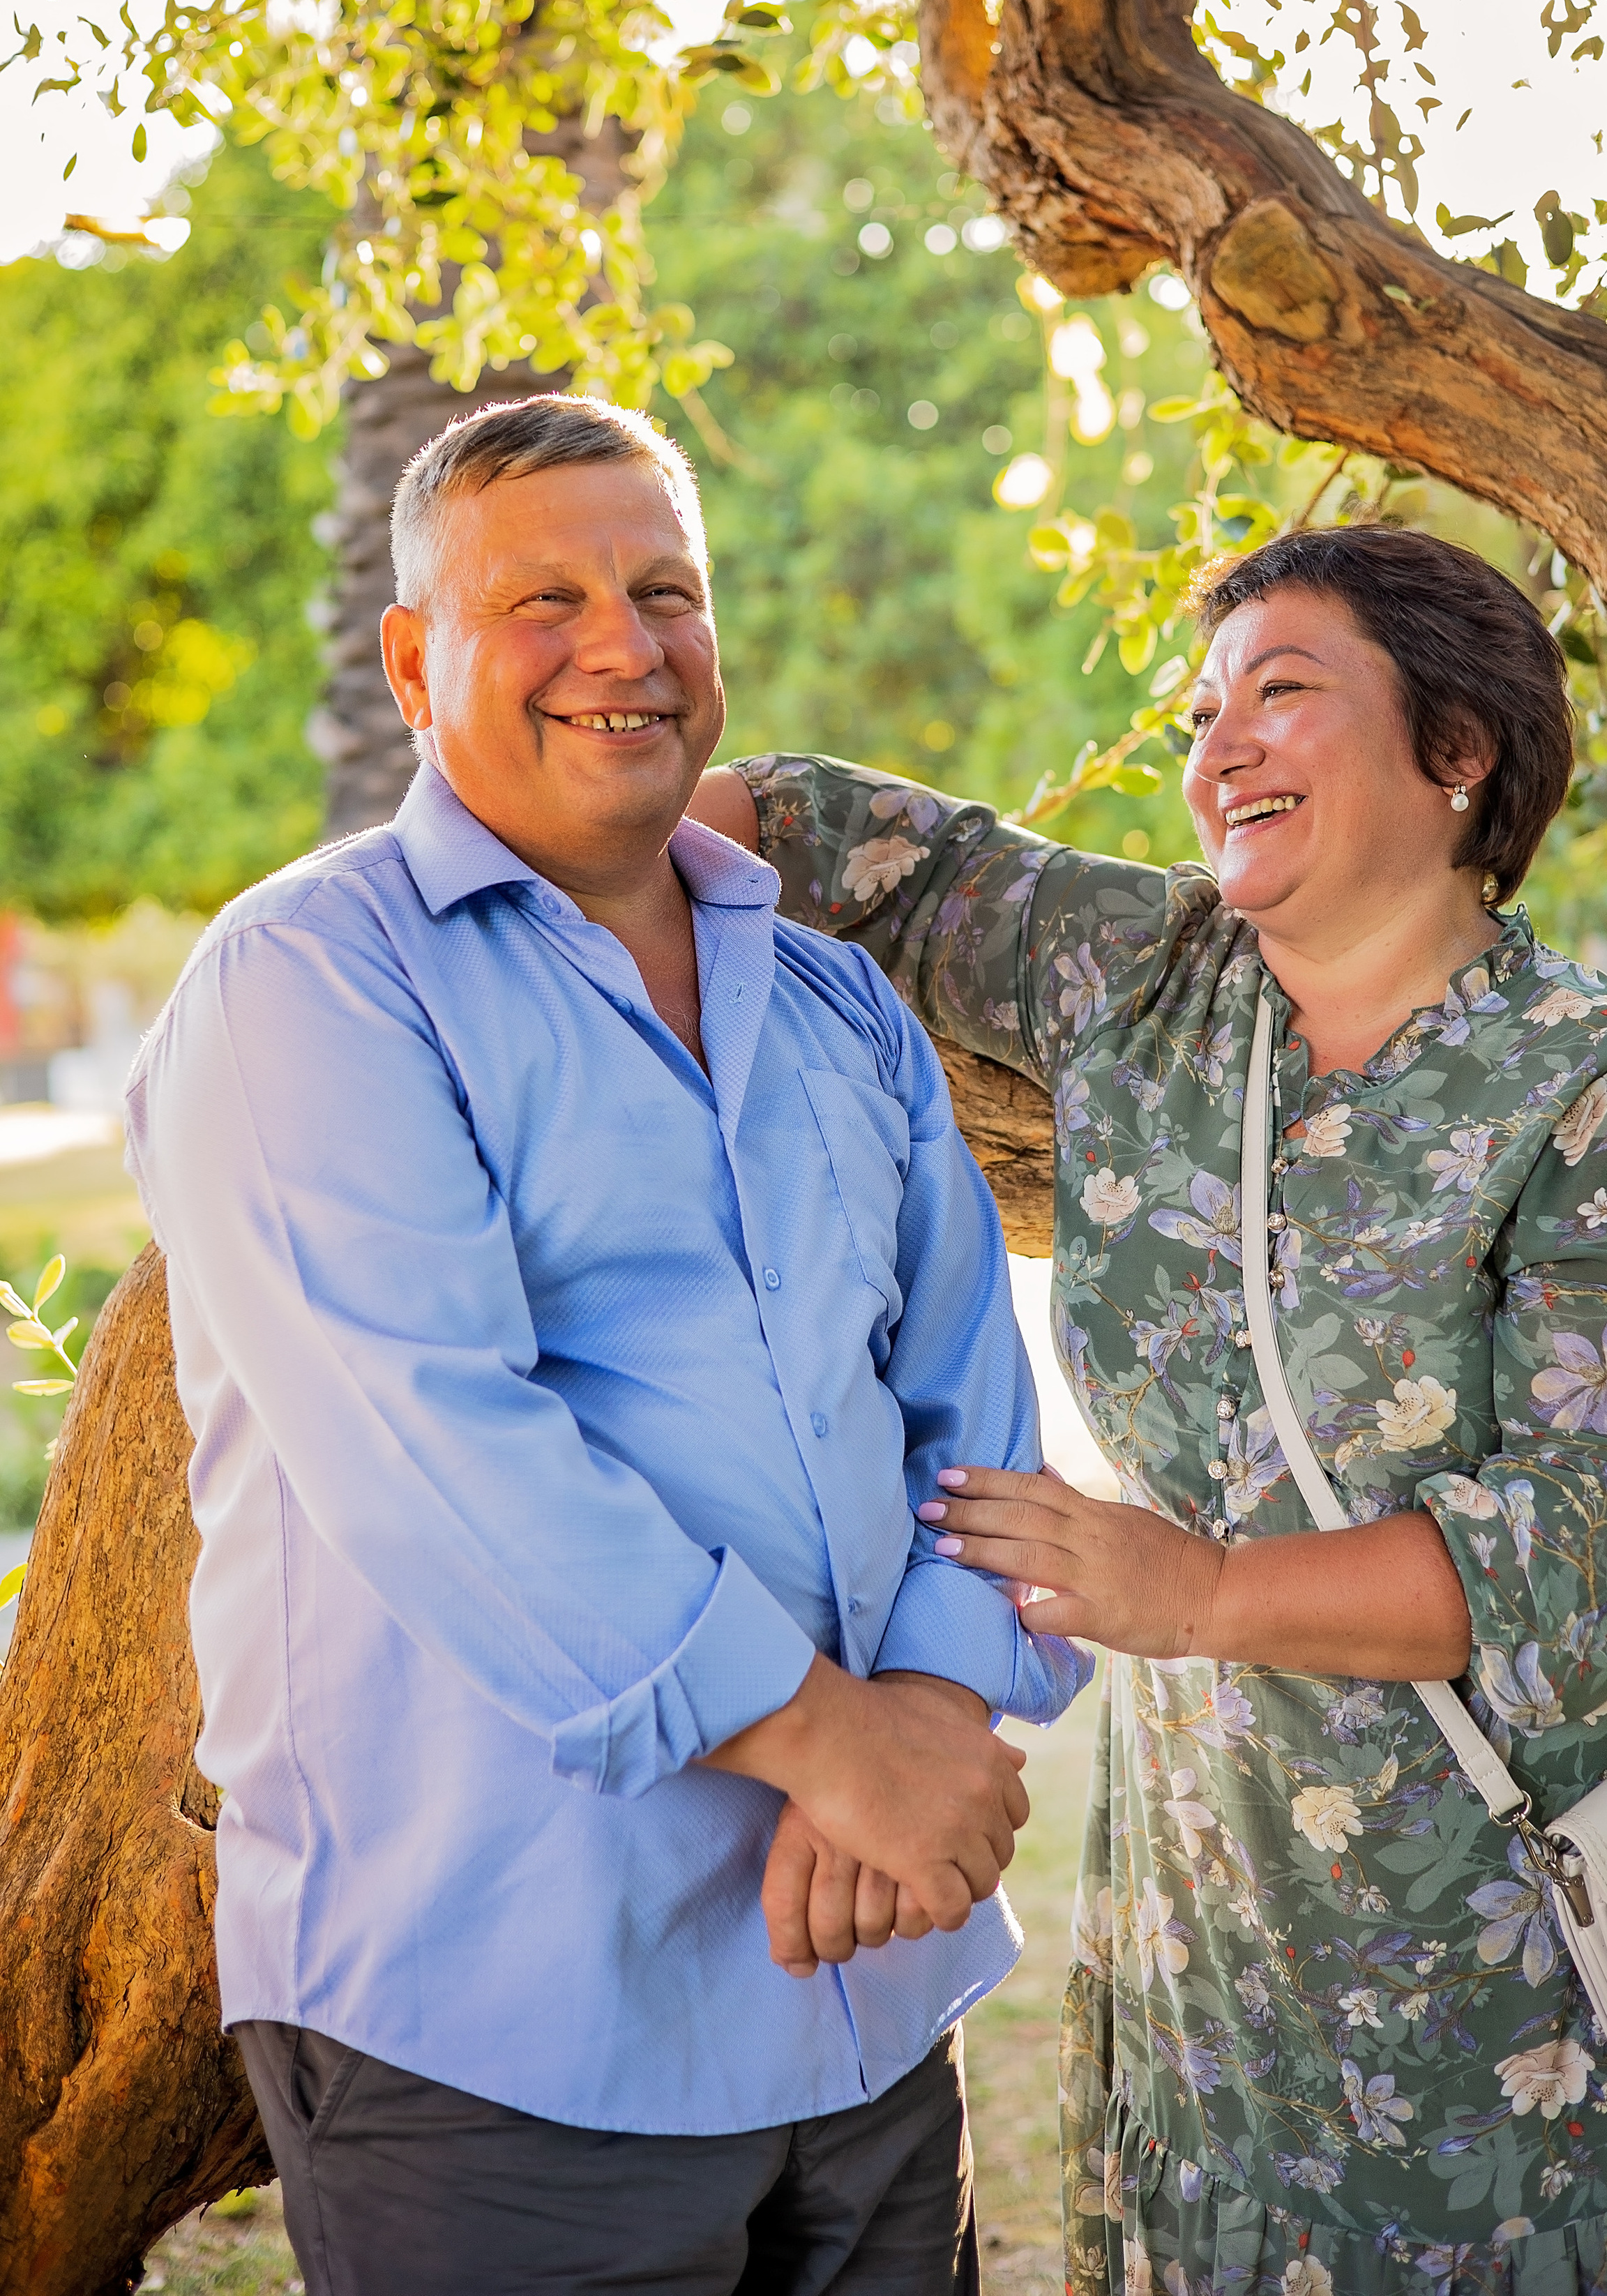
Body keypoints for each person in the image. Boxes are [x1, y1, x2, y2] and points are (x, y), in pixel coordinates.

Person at [693, 523, 1607, 2296]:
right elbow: (853, 846)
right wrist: (487, 909)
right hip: (1219, 1942)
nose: (1218, 748)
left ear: (1456, 752)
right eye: (1204, 710)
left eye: (1283, 693)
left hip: (1543, 1960)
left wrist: (1190, 1596)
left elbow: (1606, 1550)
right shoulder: (1149, 982)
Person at [126, 393, 1089, 2296]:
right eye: (544, 597)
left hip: (867, 1987)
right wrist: (839, 1743)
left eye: (666, 589)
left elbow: (972, 1400)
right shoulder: (307, 984)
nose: (625, 645)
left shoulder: (830, 998)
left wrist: (933, 1724)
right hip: (507, 2028)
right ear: (415, 661)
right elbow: (442, 1457)